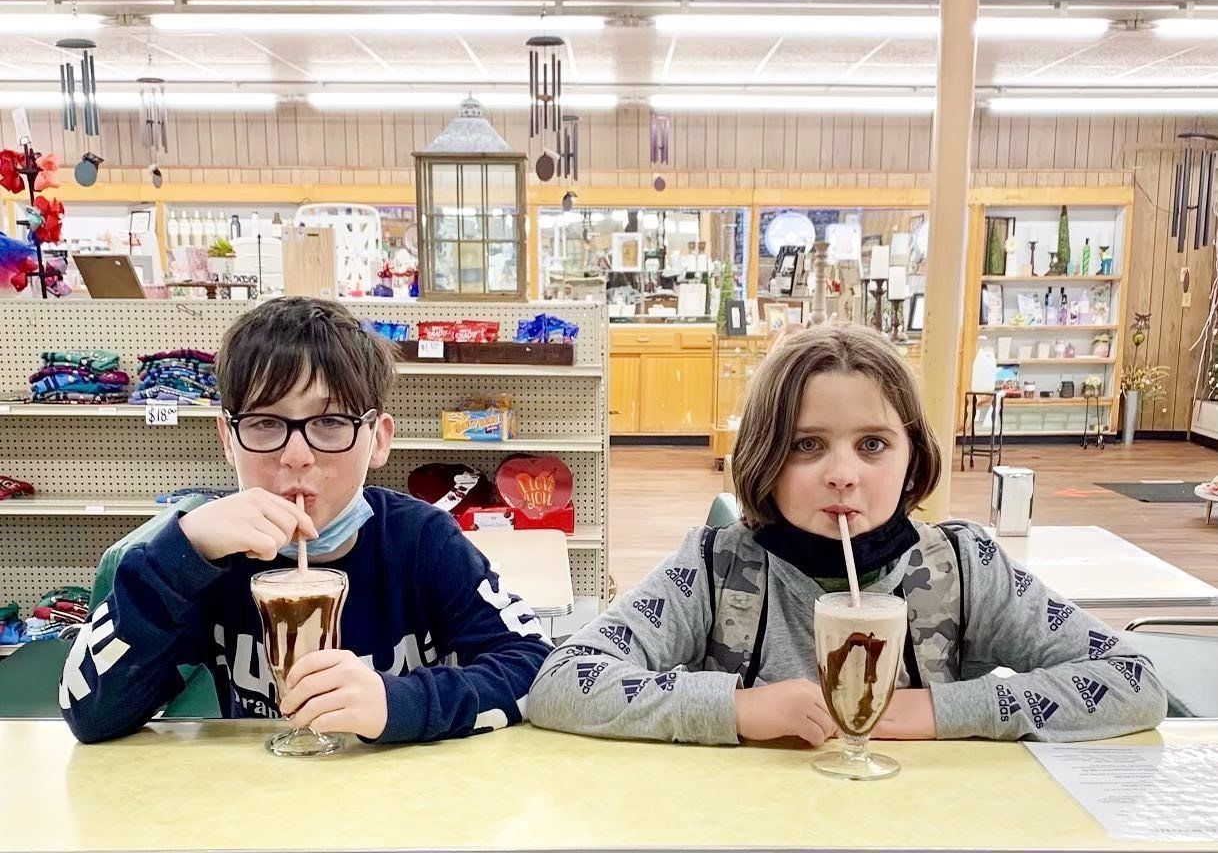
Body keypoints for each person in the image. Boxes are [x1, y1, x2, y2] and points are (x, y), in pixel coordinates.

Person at [529, 324, 1166, 745]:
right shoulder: (714, 567)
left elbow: (1133, 681)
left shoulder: (966, 567)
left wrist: (947, 710)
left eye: (872, 445)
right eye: (807, 445)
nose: (843, 476)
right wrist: (738, 708)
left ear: (912, 456)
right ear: (764, 457)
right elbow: (562, 682)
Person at [61, 297, 551, 744]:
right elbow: (89, 713)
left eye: (331, 422)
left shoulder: (421, 540)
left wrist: (399, 702)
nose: (296, 456)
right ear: (227, 438)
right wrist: (177, 560)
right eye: (265, 423)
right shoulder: (201, 560)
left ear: (378, 439)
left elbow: (536, 667)